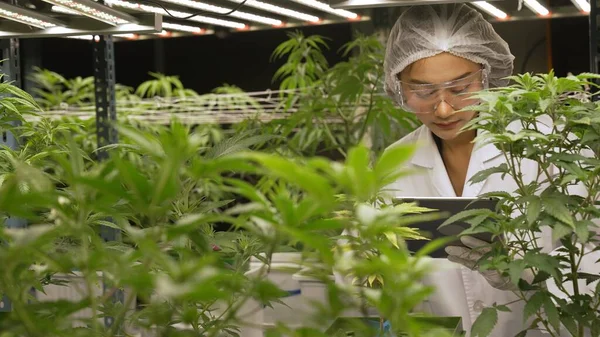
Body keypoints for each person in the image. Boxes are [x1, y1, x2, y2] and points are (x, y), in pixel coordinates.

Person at [381, 4, 548, 337]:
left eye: (460, 88)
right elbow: (361, 263)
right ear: (398, 87)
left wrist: (526, 274)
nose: (443, 109)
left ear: (487, 76)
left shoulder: (547, 145)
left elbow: (591, 254)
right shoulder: (395, 161)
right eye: (423, 91)